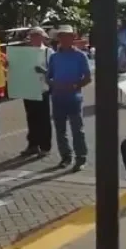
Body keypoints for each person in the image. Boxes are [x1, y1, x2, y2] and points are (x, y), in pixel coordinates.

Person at [47, 25, 92, 171]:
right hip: (57, 98)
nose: (64, 39)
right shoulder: (54, 57)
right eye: (61, 36)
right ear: (58, 38)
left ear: (73, 38)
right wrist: (53, 84)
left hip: (74, 98)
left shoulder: (80, 56)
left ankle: (81, 158)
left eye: (68, 36)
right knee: (60, 130)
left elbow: (88, 78)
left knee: (77, 130)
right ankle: (66, 157)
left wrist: (74, 86)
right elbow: (49, 77)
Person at [20, 27, 54, 158]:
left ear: (42, 37)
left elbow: (53, 71)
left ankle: (45, 146)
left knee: (44, 119)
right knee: (31, 118)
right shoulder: (25, 52)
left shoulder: (48, 52)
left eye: (36, 35)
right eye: (32, 35)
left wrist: (44, 71)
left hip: (42, 89)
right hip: (28, 88)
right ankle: (33, 145)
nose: (34, 38)